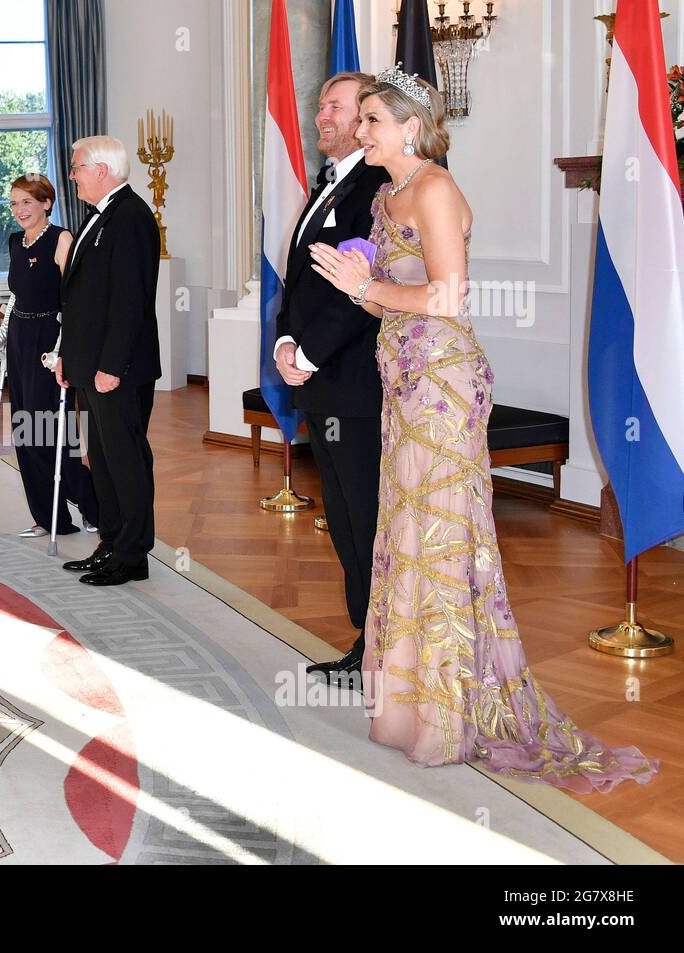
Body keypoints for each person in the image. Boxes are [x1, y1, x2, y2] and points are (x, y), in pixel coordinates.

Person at [310, 66, 657, 792]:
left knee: (438, 535)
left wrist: (365, 286)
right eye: (361, 119)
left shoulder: (434, 188)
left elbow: (446, 296)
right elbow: (387, 303)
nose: (360, 130)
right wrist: (358, 285)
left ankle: (446, 715)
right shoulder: (385, 195)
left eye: (372, 119)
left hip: (441, 384)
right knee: (402, 534)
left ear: (410, 125)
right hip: (401, 381)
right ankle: (406, 706)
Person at [275, 72, 388, 684]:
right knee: (342, 515)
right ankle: (364, 640)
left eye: (336, 107)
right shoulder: (328, 185)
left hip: (355, 380)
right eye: (320, 105)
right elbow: (299, 280)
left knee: (365, 515)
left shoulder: (378, 186)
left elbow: (359, 293)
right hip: (321, 375)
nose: (321, 116)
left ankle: (379, 645)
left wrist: (310, 352)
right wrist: (286, 340)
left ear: (367, 118)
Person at [56, 136, 161, 587]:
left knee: (126, 460)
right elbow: (81, 301)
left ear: (101, 170)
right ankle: (112, 543)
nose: (73, 174)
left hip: (118, 369)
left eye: (78, 167)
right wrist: (68, 357)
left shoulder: (132, 217)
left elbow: (130, 302)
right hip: (91, 365)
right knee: (101, 458)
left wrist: (111, 366)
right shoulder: (97, 218)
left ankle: (133, 555)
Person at [0, 173, 99, 539]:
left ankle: (92, 504)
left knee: (50, 430)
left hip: (50, 340)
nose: (19, 210)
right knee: (24, 430)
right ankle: (50, 519)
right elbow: (16, 296)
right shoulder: (16, 242)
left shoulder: (62, 239)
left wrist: (63, 349)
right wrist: (0, 340)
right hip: (19, 337)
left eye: (27, 202)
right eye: (14, 203)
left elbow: (74, 298)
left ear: (46, 203)